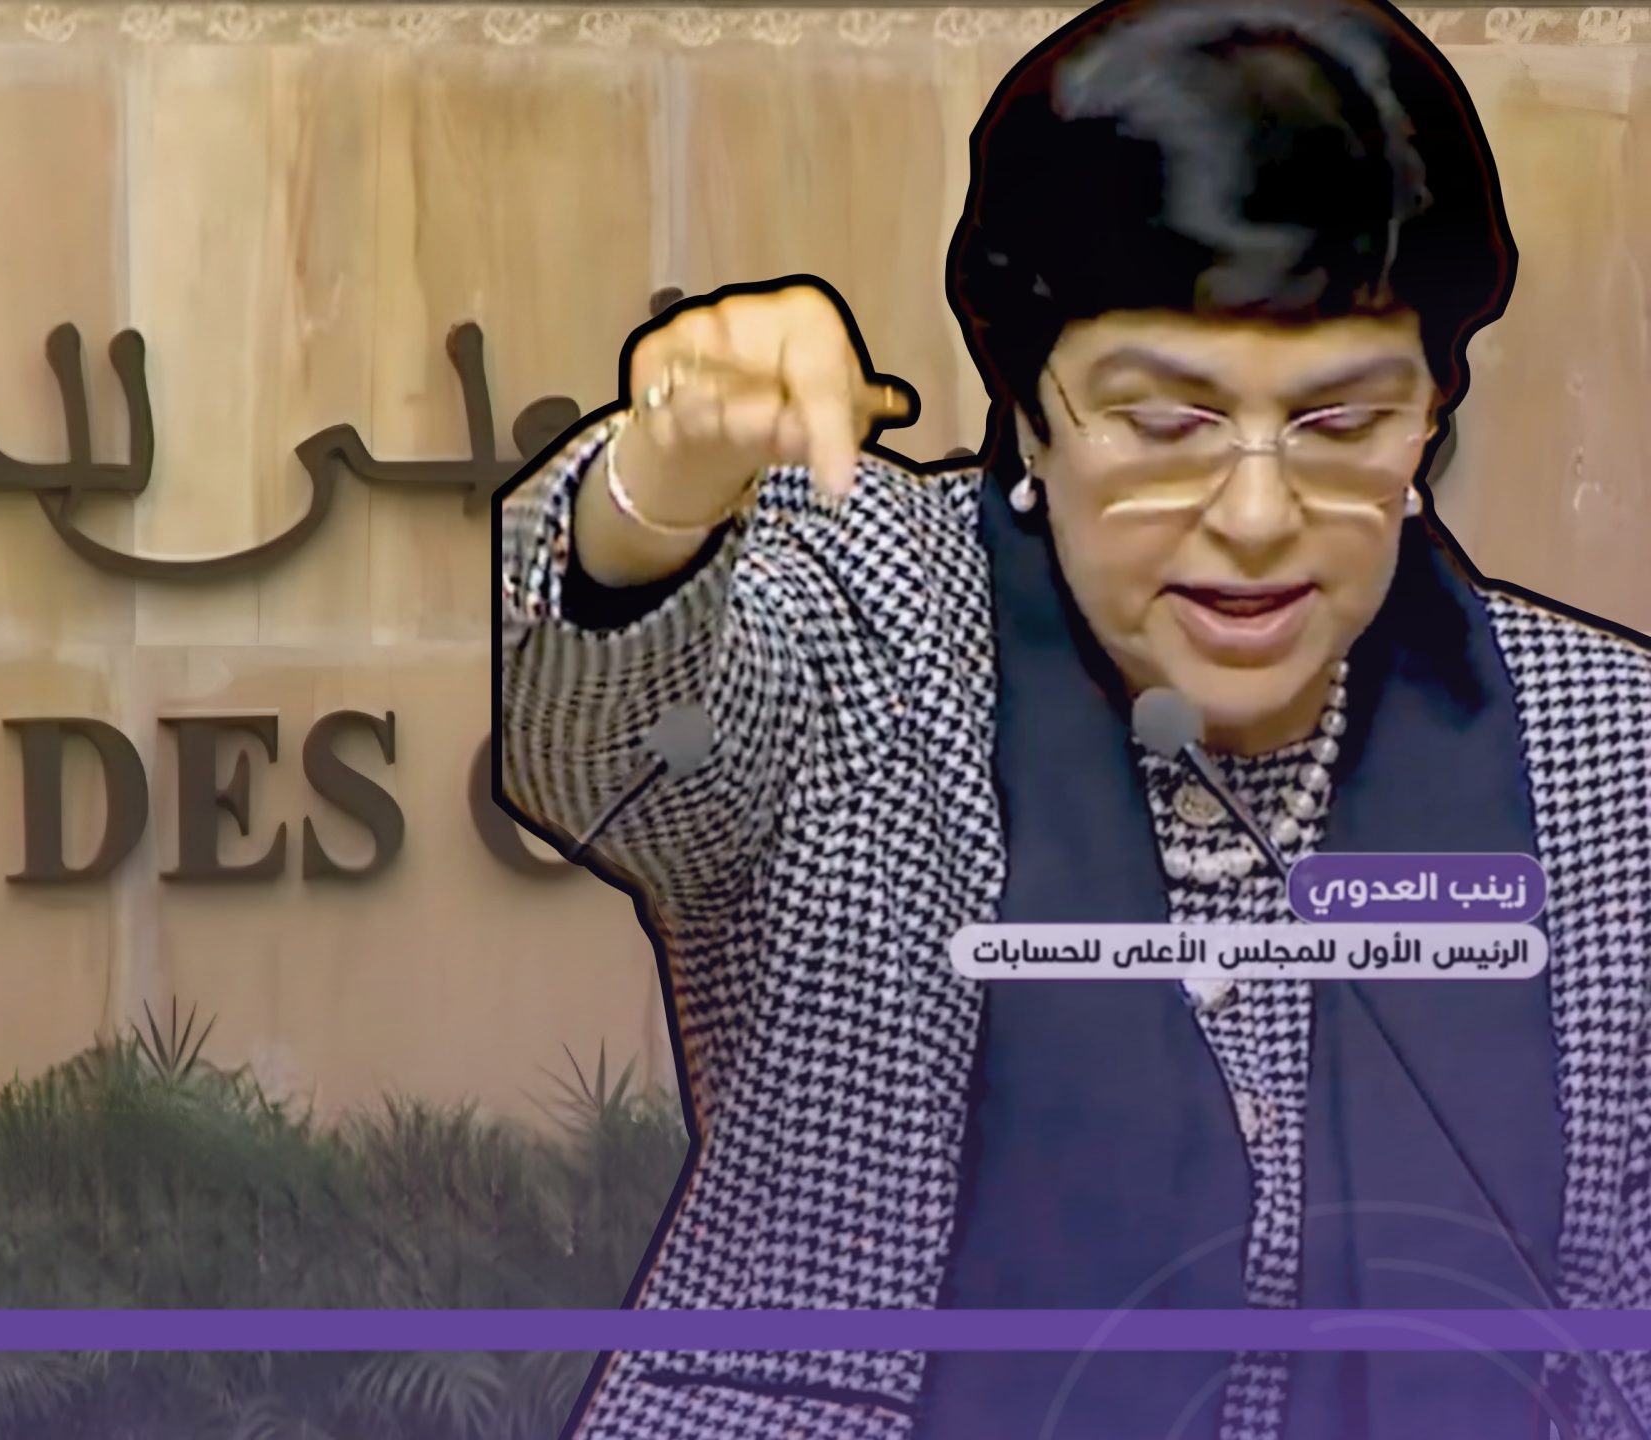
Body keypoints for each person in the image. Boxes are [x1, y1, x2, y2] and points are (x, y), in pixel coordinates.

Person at [494, 1, 1651, 1437]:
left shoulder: (1608, 757)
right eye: (1165, 422)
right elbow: (581, 741)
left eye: (1343, 424)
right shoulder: (871, 619)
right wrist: (654, 496)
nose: (1254, 516)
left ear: (1429, 424)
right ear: (1031, 417)